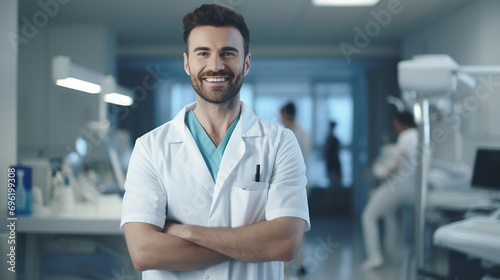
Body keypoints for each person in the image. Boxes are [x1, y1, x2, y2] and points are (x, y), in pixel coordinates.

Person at [120, 4, 310, 280]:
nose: (215, 65)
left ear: (246, 62)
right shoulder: (150, 148)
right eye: (203, 54)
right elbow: (144, 253)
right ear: (187, 63)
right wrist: (254, 241)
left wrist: (188, 232)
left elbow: (284, 243)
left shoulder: (279, 142)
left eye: (228, 53)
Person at [361, 111, 418, 270]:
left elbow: (398, 164)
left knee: (368, 216)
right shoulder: (419, 136)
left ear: (400, 123)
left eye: (396, 124)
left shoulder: (406, 136)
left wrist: (382, 173)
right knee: (389, 215)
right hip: (413, 189)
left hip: (398, 187)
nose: (395, 127)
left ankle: (375, 257)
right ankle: (393, 253)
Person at [323, 121, 342, 188]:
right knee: (332, 183)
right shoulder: (330, 139)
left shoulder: (332, 139)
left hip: (333, 162)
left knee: (335, 182)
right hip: (332, 162)